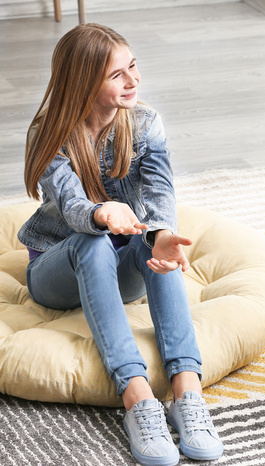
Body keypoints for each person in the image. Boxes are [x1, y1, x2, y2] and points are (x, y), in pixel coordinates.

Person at [18, 24, 223, 466]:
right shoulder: (49, 134)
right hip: (55, 271)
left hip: (121, 264)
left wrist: (161, 234)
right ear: (84, 82)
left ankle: (188, 390)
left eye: (133, 67)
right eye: (117, 75)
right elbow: (73, 206)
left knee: (158, 246)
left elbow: (159, 194)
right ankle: (137, 398)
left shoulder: (146, 124)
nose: (133, 80)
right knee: (91, 242)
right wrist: (101, 213)